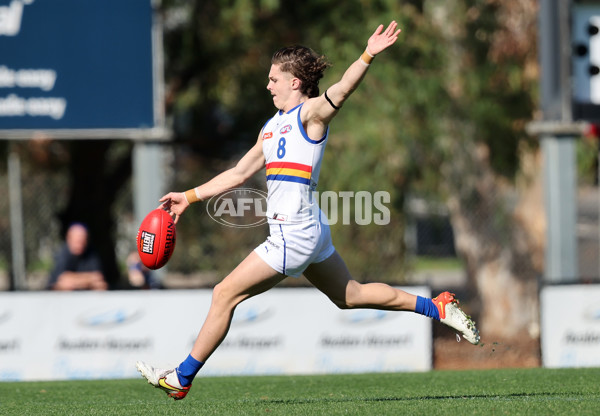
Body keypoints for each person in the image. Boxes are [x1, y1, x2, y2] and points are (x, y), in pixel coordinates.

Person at [136, 21, 480, 400]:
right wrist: (189, 196)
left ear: (295, 82)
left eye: (273, 79)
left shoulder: (310, 116)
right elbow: (237, 172)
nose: (267, 85)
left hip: (294, 233)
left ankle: (182, 377)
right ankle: (437, 307)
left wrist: (367, 54)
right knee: (350, 295)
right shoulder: (271, 128)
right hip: (310, 230)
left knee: (223, 294)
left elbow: (342, 89)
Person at [47, 222, 108, 291]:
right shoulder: (63, 254)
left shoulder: (91, 253)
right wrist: (89, 280)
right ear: (69, 238)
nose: (80, 243)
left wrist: (73, 280)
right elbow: (62, 282)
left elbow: (98, 279)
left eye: (82, 239)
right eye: (77, 240)